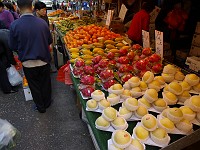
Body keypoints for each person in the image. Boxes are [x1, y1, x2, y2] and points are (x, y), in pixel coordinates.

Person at [9, 0, 53, 113]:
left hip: (27, 62)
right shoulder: (42, 23)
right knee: (45, 83)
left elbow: (13, 46)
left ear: (18, 8)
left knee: (34, 85)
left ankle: (40, 106)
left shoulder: (14, 25)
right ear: (32, 7)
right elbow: (49, 40)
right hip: (43, 59)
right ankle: (47, 102)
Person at [0, 29, 17, 94]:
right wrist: (13, 62)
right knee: (2, 72)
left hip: (1, 53)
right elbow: (9, 52)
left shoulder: (4, 33)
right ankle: (7, 89)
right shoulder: (6, 36)